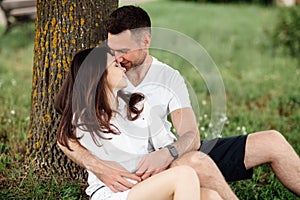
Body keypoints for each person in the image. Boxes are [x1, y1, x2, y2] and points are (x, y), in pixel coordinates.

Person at [57, 5, 300, 200]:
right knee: (196, 166)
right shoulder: (105, 81)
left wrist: (168, 152)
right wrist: (98, 166)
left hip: (171, 156)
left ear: (145, 41)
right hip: (148, 174)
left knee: (272, 141)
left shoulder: (168, 77)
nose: (119, 59)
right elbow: (67, 133)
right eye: (112, 50)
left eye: (124, 51)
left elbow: (191, 137)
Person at [55, 46, 222, 199]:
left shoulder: (138, 106)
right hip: (114, 193)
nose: (123, 68)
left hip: (149, 185)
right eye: (115, 65)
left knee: (211, 196)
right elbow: (66, 140)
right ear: (98, 76)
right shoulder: (85, 119)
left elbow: (165, 145)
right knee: (184, 175)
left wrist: (163, 158)